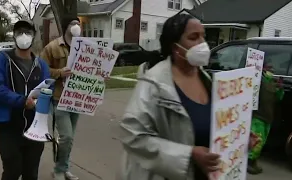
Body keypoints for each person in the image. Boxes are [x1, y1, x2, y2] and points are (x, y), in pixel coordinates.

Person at [117, 12, 258, 180]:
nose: (203, 44)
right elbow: (132, 135)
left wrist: (239, 137)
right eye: (194, 37)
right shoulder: (154, 83)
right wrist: (188, 155)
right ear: (175, 47)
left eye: (203, 37)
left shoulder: (207, 80)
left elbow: (218, 125)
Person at [0, 20, 51, 180]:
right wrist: (22, 101)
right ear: (14, 36)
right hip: (9, 127)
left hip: (34, 128)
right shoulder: (2, 60)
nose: (24, 36)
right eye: (19, 32)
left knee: (31, 173)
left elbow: (46, 90)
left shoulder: (41, 65)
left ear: (34, 36)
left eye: (28, 32)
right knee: (12, 171)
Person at [40, 15, 81, 180]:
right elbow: (41, 69)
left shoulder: (85, 47)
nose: (76, 26)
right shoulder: (52, 47)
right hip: (59, 98)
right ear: (66, 27)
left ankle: (65, 167)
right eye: (73, 23)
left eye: (78, 24)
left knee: (70, 138)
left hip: (78, 99)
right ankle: (59, 169)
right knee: (66, 136)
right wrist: (59, 73)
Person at [247, 66, 284, 174]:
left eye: (272, 70)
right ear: (263, 69)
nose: (271, 72)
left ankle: (253, 162)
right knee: (257, 141)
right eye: (269, 69)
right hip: (258, 116)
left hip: (268, 117)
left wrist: (280, 88)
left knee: (261, 142)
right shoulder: (259, 81)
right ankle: (249, 162)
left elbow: (279, 98)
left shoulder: (272, 83)